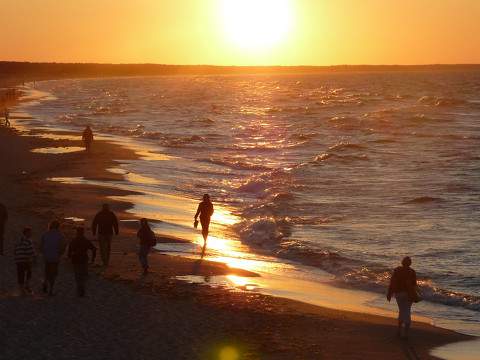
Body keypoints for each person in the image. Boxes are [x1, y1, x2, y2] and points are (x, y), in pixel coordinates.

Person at [387, 256, 418, 339]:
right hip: (408, 294)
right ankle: (406, 333)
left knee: (401, 311)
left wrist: (389, 293)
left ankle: (399, 331)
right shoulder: (412, 272)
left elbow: (392, 282)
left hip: (399, 293)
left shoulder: (397, 270)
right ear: (410, 263)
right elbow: (414, 285)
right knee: (407, 312)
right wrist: (415, 294)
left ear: (402, 262)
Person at [68, 226, 96, 297]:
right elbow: (94, 249)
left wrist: (69, 257)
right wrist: (93, 258)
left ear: (77, 232)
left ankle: (79, 289)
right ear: (83, 233)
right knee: (83, 275)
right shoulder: (86, 241)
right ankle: (82, 289)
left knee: (77, 276)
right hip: (84, 259)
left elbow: (69, 250)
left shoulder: (74, 240)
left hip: (76, 260)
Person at [40, 220, 66, 296]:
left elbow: (41, 246)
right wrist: (60, 253)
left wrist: (43, 252)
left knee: (47, 271)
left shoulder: (45, 234)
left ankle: (45, 282)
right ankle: (51, 289)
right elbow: (63, 246)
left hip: (47, 256)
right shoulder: (61, 235)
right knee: (53, 273)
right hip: (55, 257)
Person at [14, 227, 36, 294]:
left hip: (18, 260)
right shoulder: (28, 240)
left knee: (21, 274)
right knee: (29, 272)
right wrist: (34, 257)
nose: (30, 234)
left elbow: (15, 250)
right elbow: (30, 251)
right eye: (29, 233)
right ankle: (26, 285)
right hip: (25, 259)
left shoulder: (19, 240)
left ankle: (22, 289)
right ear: (26, 233)